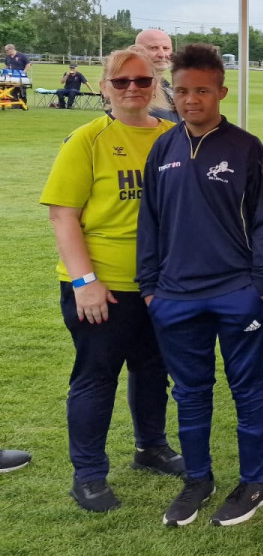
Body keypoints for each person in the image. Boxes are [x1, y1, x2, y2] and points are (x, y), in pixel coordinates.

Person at [138, 44, 263, 527]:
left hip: (234, 293)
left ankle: (255, 479)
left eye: (201, 90)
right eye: (181, 91)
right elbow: (151, 222)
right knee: (191, 392)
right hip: (174, 297)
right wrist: (150, 289)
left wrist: (258, 286)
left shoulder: (244, 147)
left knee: (248, 389)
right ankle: (198, 478)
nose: (190, 100)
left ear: (221, 91)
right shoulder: (163, 146)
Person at [40, 45, 184, 513]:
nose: (132, 89)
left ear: (155, 85)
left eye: (142, 81)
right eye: (121, 81)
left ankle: (151, 447)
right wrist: (85, 282)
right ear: (104, 88)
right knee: (96, 378)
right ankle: (88, 475)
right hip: (102, 284)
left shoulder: (173, 135)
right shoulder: (87, 139)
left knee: (152, 369)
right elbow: (63, 215)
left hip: (158, 285)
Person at [135, 29, 181, 123]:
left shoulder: (166, 87)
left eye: (166, 48)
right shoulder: (128, 89)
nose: (162, 55)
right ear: (136, 51)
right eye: (153, 48)